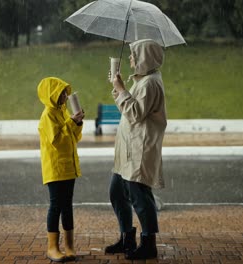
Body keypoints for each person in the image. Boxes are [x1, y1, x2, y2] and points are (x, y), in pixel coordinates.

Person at [104, 39, 167, 260]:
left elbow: (135, 113)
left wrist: (121, 89)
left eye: (134, 54)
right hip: (128, 150)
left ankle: (149, 243)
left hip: (139, 150)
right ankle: (127, 237)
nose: (130, 58)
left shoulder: (150, 83)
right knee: (117, 193)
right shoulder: (142, 80)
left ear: (144, 57)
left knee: (140, 197)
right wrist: (118, 88)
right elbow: (129, 106)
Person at [37, 77, 85, 262]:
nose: (66, 96)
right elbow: (58, 141)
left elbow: (73, 138)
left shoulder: (62, 112)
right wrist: (71, 122)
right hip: (55, 169)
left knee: (67, 206)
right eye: (62, 93)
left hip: (68, 167)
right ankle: (52, 248)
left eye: (65, 92)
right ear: (52, 95)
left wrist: (77, 123)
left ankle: (69, 247)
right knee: (56, 206)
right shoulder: (48, 115)